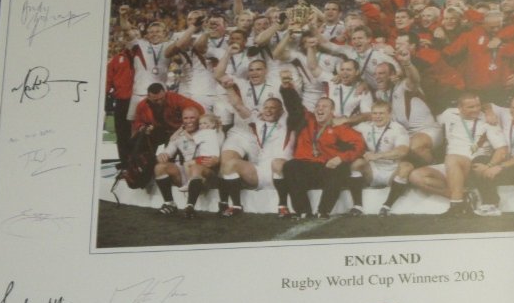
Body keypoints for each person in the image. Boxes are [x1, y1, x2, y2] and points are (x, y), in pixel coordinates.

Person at [408, 92, 508, 216]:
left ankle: (456, 205)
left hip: (471, 165)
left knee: (451, 158)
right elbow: (430, 124)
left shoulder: (488, 120)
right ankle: (464, 196)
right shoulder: (448, 114)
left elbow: (502, 149)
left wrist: (489, 165)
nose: (476, 109)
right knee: (415, 176)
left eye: (478, 106)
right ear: (459, 108)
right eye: (471, 107)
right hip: (451, 166)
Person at [281, 88, 366, 219]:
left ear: (332, 111)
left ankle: (323, 211)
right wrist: (286, 87)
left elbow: (359, 145)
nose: (320, 109)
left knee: (340, 168)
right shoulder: (306, 121)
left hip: (328, 167)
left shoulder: (339, 126)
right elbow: (294, 106)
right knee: (290, 166)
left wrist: (341, 158)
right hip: (308, 167)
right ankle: (303, 211)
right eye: (318, 106)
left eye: (325, 106)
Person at [217, 77, 296, 217]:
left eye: (273, 108)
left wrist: (288, 88)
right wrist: (229, 88)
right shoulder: (258, 122)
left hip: (281, 171)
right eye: (266, 108)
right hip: (259, 173)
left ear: (281, 111)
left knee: (277, 162)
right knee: (230, 164)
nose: (269, 111)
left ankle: (282, 206)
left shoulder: (287, 122)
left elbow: (293, 106)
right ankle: (236, 206)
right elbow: (239, 106)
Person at [154, 107, 221, 218]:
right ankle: (169, 204)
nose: (189, 121)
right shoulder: (179, 135)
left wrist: (217, 160)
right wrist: (162, 155)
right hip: (187, 171)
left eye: (192, 118)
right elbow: (168, 152)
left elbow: (220, 152)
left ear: (198, 119)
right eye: (186, 118)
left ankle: (190, 207)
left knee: (195, 167)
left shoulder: (208, 130)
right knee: (159, 167)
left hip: (207, 173)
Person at [349, 100, 413, 216]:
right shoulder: (364, 127)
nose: (377, 117)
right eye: (374, 113)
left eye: (381, 113)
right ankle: (357, 206)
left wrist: (378, 155)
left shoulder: (398, 128)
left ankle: (386, 206)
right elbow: (345, 133)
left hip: (392, 171)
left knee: (406, 167)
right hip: (373, 171)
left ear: (389, 114)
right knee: (357, 164)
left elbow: (403, 151)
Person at [131, 83, 205, 148]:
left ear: (165, 93)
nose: (159, 102)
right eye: (155, 100)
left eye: (161, 99)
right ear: (149, 97)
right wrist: (143, 127)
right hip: (157, 133)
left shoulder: (174, 98)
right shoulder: (142, 105)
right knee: (133, 143)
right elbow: (138, 122)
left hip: (178, 130)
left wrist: (185, 126)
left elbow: (199, 109)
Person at [105, 40, 134, 163]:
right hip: (122, 100)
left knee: (140, 133)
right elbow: (107, 80)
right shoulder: (117, 59)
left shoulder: (145, 57)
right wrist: (105, 95)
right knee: (122, 133)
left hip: (140, 100)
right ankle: (125, 162)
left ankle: (139, 161)